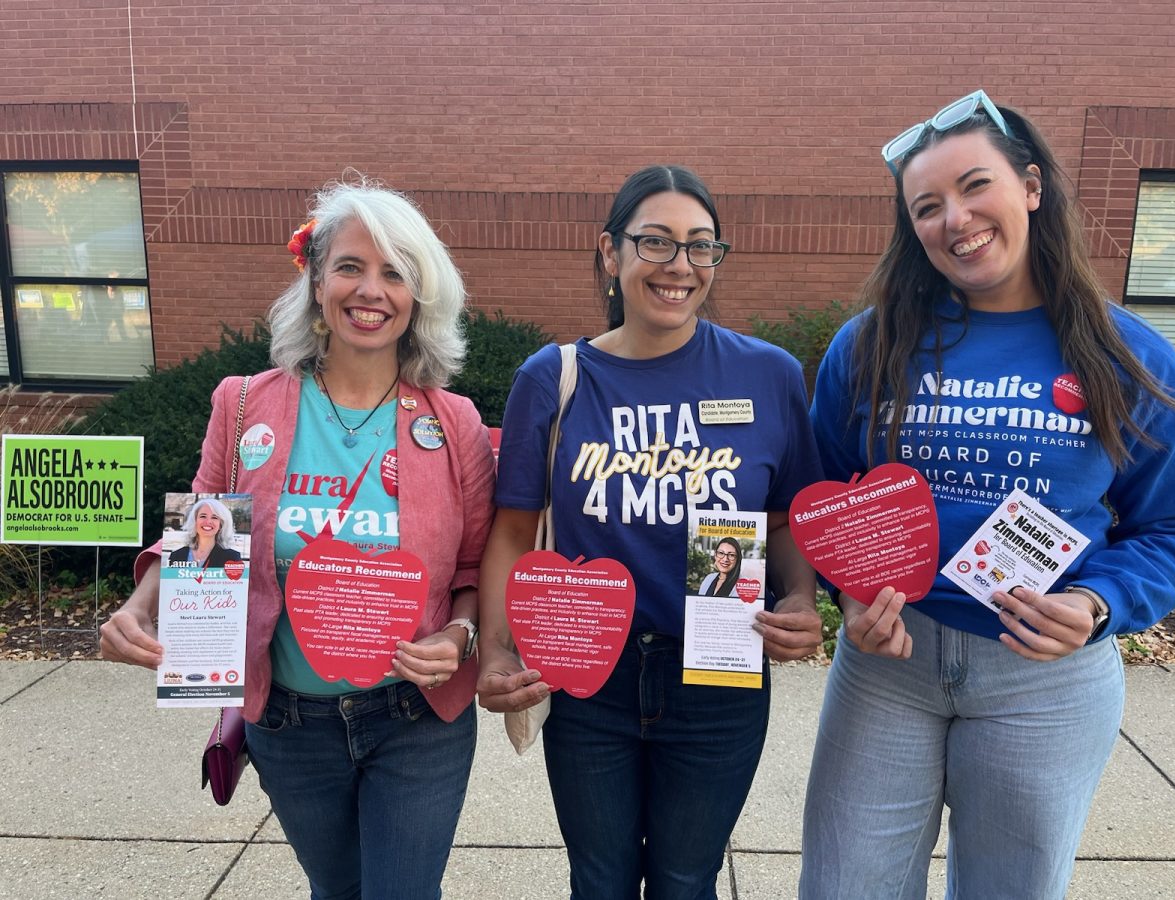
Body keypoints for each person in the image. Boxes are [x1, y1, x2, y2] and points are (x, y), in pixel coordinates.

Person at [799, 90, 1175, 899]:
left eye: (975, 186)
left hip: (1044, 681)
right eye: (928, 206)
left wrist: (1097, 603)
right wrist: (848, 592)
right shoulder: (872, 344)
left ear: (1031, 186)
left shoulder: (1130, 355)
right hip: (890, 667)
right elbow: (828, 492)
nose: (956, 218)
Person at [100, 177, 495, 900]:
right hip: (287, 721)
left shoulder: (454, 422)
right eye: (350, 266)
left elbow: (472, 567)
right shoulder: (244, 402)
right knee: (335, 891)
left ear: (417, 297)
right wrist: (142, 606)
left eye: (394, 272)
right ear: (317, 282)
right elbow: (204, 533)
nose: (370, 289)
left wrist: (462, 635)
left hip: (416, 718)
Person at [476, 164, 826, 899]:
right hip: (585, 673)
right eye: (657, 243)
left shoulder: (769, 375)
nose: (681, 266)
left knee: (684, 880)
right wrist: (499, 649)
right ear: (610, 253)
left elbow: (786, 516)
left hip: (718, 674)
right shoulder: (556, 377)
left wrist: (800, 598)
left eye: (701, 247)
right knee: (600, 882)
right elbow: (511, 531)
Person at [166, 497, 241, 568]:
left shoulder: (232, 558)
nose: (208, 522)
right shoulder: (176, 556)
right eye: (203, 516)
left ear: (221, 525)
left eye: (214, 517)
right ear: (194, 521)